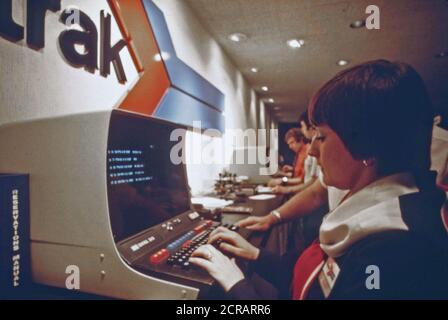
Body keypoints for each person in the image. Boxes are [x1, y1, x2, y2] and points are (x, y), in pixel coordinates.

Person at [189, 60, 448, 299]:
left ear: (365, 145)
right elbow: (321, 276)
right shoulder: (372, 198)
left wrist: (237, 286)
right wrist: (257, 255)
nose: (311, 150)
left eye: (321, 137)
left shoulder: (396, 251)